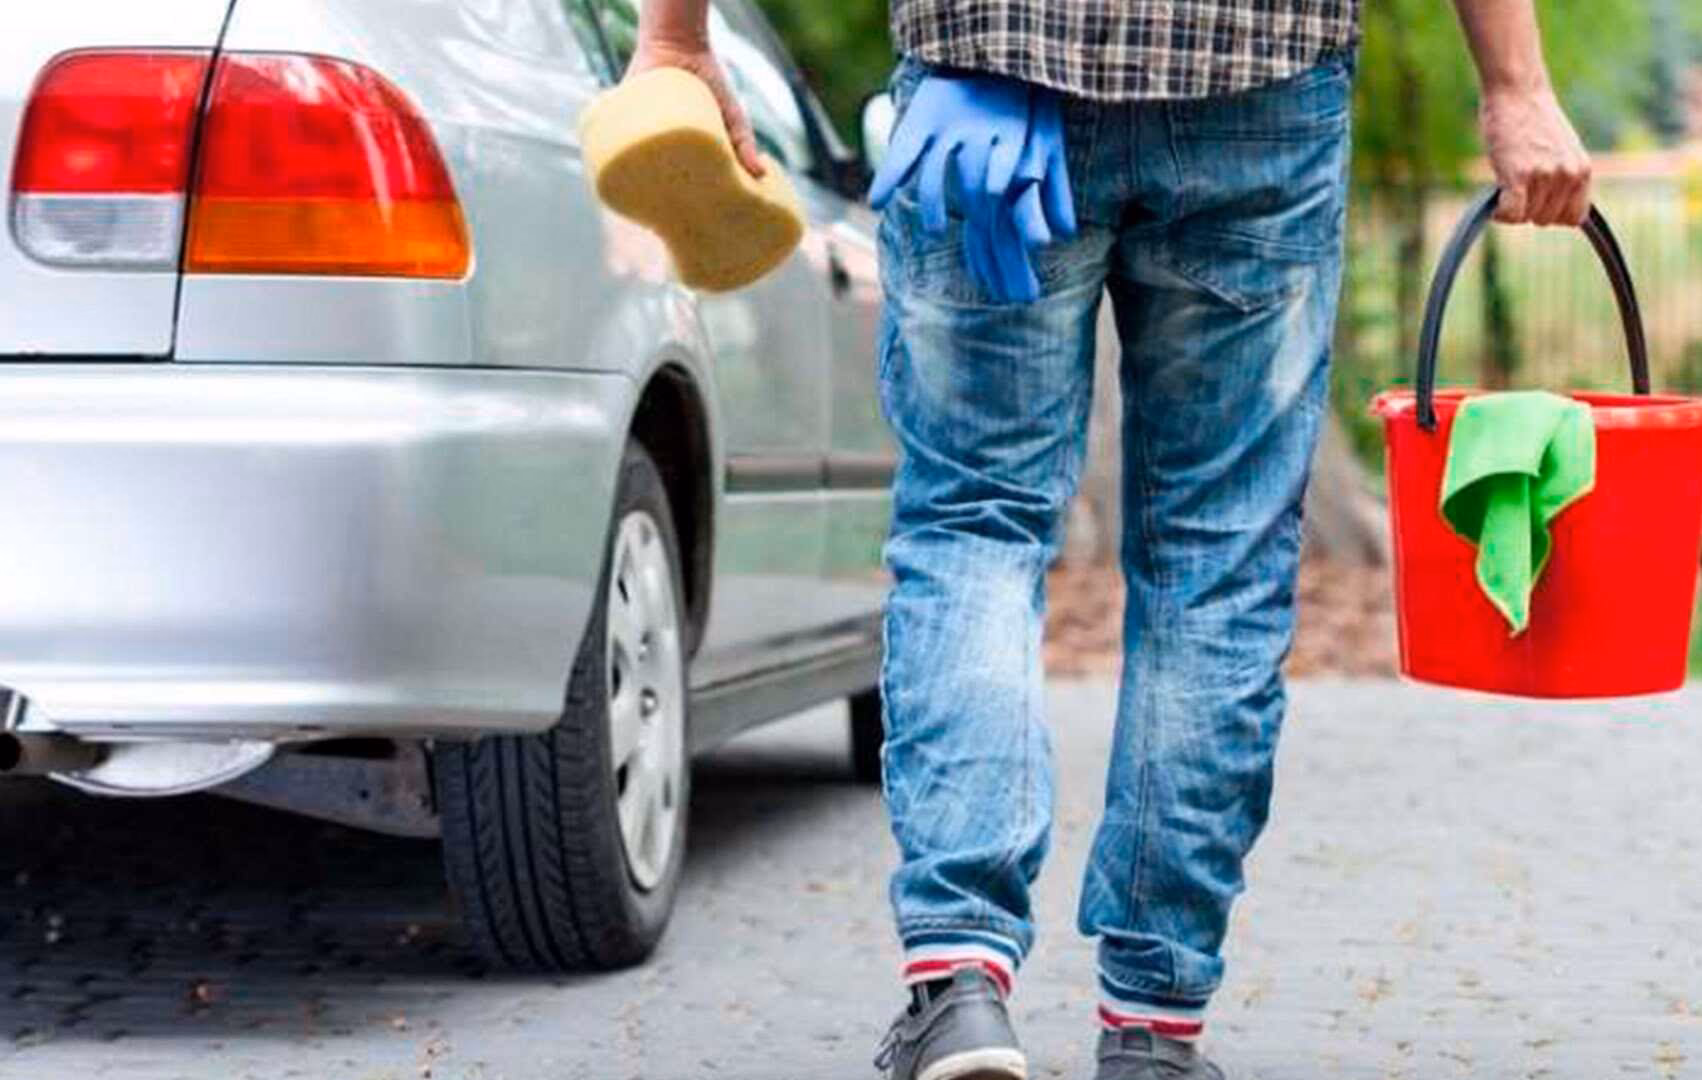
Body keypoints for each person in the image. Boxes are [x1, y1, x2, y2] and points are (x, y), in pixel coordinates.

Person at [627, 1, 1593, 1076]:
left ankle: (959, 983)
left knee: (974, 523)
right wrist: (1516, 88)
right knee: (1216, 564)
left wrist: (675, 37)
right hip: (1252, 82)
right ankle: (1153, 1029)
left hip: (985, 75)